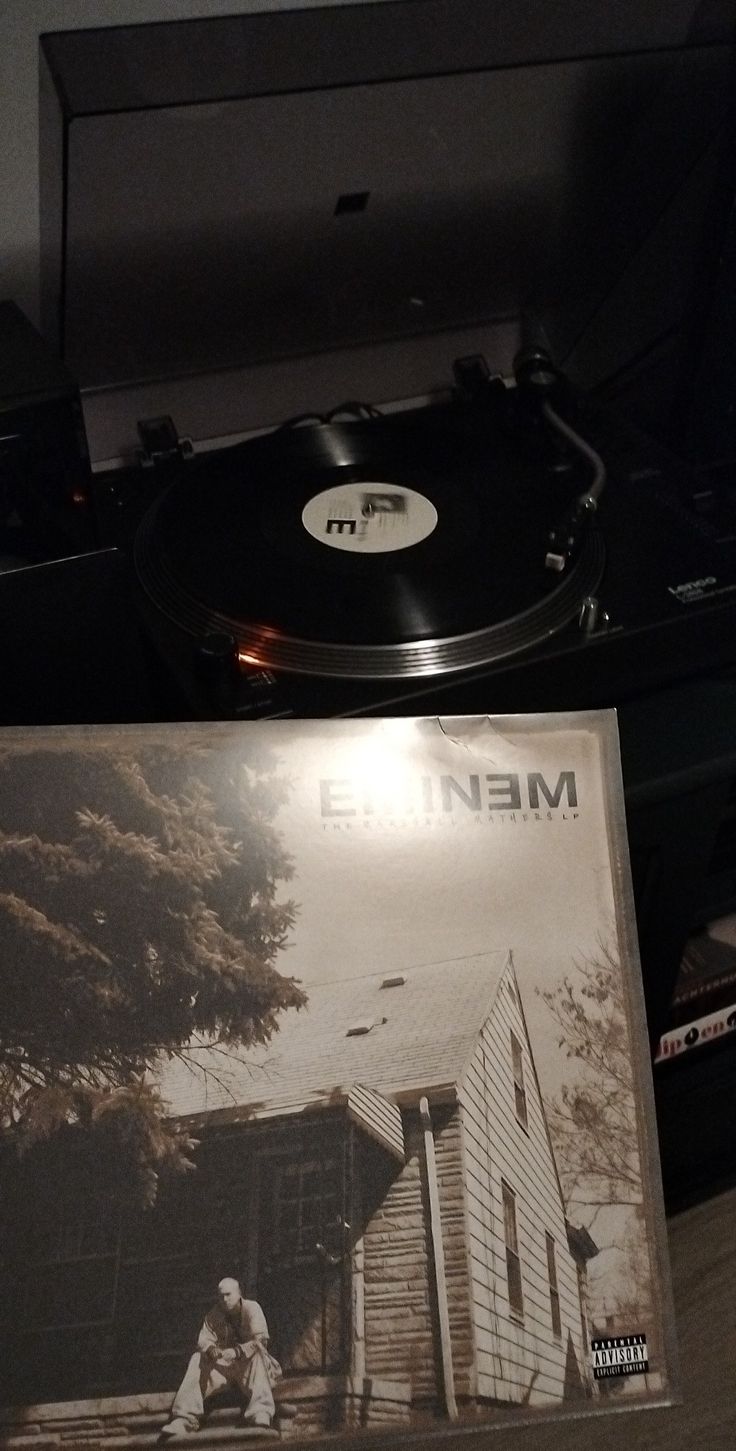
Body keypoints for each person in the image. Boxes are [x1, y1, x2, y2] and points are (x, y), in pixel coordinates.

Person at [160, 1277, 281, 1438]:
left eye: (228, 1295)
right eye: (221, 1296)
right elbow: (203, 1340)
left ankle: (260, 1411)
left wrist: (238, 1351)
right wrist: (211, 1349)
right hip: (225, 1369)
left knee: (257, 1354)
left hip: (252, 1368)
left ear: (238, 1294)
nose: (224, 1299)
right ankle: (184, 1419)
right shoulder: (213, 1315)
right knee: (197, 1358)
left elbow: (261, 1340)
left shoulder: (252, 1308)